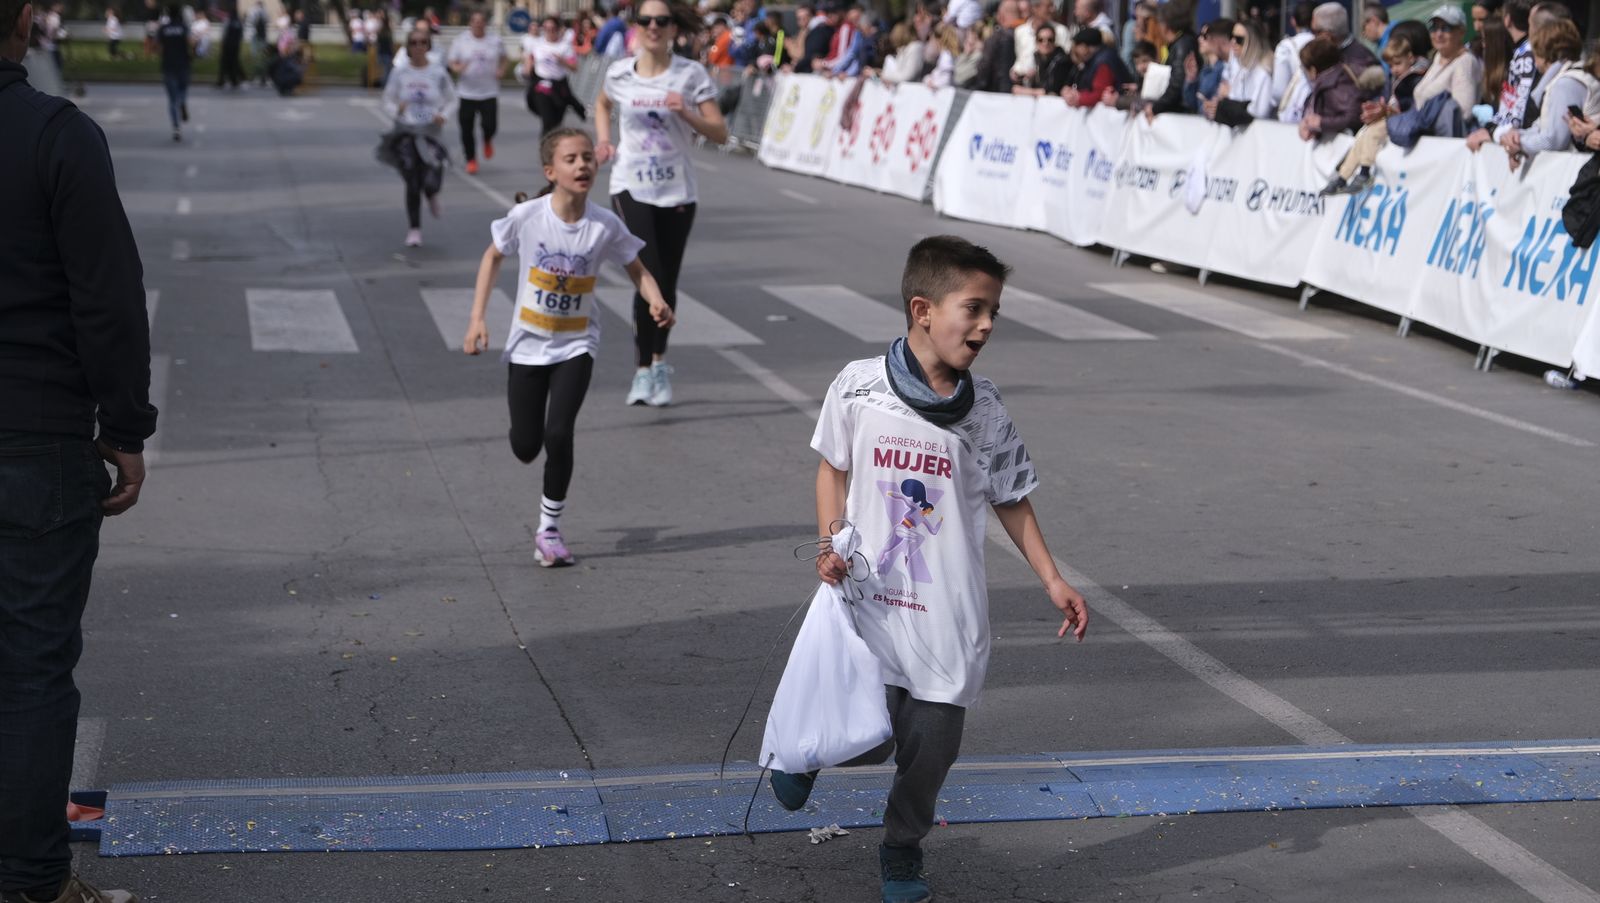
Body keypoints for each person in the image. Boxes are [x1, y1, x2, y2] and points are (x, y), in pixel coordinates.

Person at [768, 235, 1089, 903]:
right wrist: (832, 540)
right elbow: (833, 468)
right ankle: (807, 751)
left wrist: (1052, 579)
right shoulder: (858, 385)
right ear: (922, 309)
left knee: (930, 749)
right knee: (870, 736)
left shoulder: (985, 412)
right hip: (871, 601)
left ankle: (902, 848)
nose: (987, 325)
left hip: (949, 618)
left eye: (994, 311)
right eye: (973, 308)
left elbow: (1013, 498)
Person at [1, 0, 157, 899]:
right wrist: (125, 427)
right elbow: (107, 295)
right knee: (29, 668)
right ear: (24, 24)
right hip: (35, 436)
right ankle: (31, 880)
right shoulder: (57, 134)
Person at [462, 128, 673, 567]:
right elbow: (492, 256)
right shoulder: (528, 216)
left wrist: (655, 299)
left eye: (587, 158)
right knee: (526, 445)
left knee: (558, 433)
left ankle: (549, 529)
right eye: (571, 159)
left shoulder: (605, 224)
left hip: (577, 344)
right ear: (550, 171)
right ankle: (528, 447)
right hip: (527, 345)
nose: (582, 165)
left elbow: (637, 268)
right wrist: (478, 318)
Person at [593, 0, 726, 407]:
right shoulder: (619, 72)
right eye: (645, 20)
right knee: (645, 270)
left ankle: (659, 363)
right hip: (630, 184)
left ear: (673, 28)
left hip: (677, 190)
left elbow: (720, 132)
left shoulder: (691, 74)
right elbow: (602, 103)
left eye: (661, 21)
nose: (653, 26)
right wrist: (603, 140)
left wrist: (685, 112)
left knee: (666, 280)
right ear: (636, 27)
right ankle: (641, 370)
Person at [1322, 28, 1430, 195]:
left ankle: (1365, 173)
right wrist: (1379, 109)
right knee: (1362, 135)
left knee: (1373, 133)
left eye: (1398, 64)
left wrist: (1386, 111)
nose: (1394, 69)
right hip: (1394, 119)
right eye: (1391, 65)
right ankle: (1343, 177)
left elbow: (1412, 108)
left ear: (1410, 58)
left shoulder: (1415, 79)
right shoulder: (1399, 77)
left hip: (1407, 122)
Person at [381, 26, 456, 247]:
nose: (418, 47)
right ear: (407, 47)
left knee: (431, 177)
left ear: (428, 46)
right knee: (412, 181)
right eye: (413, 43)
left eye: (422, 42)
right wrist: (397, 110)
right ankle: (414, 229)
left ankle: (432, 193)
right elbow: (387, 99)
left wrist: (444, 115)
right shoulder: (400, 72)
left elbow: (453, 99)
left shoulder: (438, 72)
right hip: (407, 131)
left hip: (431, 132)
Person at [1499, 19, 1592, 167]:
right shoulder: (1564, 79)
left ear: (1544, 52)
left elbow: (1554, 140)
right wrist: (1517, 136)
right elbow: (1544, 126)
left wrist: (1519, 144)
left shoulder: (1565, 84)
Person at [1466, 0, 1532, 151]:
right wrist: (1491, 128)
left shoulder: (1523, 59)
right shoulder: (1504, 71)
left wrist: (1492, 131)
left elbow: (1519, 113)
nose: (1483, 45)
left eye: (1485, 40)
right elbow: (1504, 115)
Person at [449, 10, 506, 175]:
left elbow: (504, 57)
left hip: (489, 91)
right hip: (467, 92)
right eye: (475, 21)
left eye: (481, 21)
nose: (478, 24)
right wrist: (457, 68)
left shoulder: (494, 41)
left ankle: (487, 138)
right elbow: (452, 62)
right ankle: (471, 159)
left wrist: (501, 70)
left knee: (490, 125)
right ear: (470, 23)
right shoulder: (461, 41)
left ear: (485, 24)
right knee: (466, 128)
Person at [1412, 5, 1481, 116]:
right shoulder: (1439, 55)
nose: (1438, 34)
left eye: (1446, 28)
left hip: (1442, 132)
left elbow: (1464, 112)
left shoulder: (1465, 62)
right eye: (1434, 27)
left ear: (1461, 32)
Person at [523, 15, 580, 137]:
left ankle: (553, 145)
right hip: (542, 84)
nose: (549, 32)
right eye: (546, 29)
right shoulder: (537, 44)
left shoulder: (565, 46)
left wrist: (563, 61)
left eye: (552, 29)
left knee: (557, 121)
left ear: (558, 29)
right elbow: (530, 57)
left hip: (559, 85)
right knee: (547, 118)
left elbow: (575, 67)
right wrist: (527, 68)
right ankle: (544, 145)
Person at [1297, 33, 1358, 140]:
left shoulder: (1336, 85)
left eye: (1304, 68)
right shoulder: (1327, 83)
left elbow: (1353, 116)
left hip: (1342, 147)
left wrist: (1321, 123)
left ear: (1313, 70)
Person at [1149, 2, 1198, 114]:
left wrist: (1156, 108)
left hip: (1180, 112)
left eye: (1159, 23)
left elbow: (1177, 83)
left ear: (1165, 25)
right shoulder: (1178, 43)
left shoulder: (1183, 45)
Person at [1061, 27, 1130, 106]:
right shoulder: (1094, 60)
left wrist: (1078, 98)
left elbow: (1100, 94)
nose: (1075, 50)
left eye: (1077, 46)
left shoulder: (1103, 63)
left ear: (1084, 47)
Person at [1270, 0, 1315, 112]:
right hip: (1320, 112)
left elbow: (1279, 92)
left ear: (1293, 21)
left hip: (1293, 115)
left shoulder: (1285, 47)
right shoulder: (1327, 44)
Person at [156, 3, 192, 141]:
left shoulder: (164, 29)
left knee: (171, 100)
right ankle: (182, 101)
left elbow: (158, 47)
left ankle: (176, 128)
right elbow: (191, 43)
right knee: (183, 89)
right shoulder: (184, 28)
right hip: (183, 64)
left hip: (168, 66)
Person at [1011, 0, 1066, 85]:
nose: (1052, 9)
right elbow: (1020, 58)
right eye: (1048, 6)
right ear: (1035, 8)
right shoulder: (1020, 32)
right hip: (1023, 88)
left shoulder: (1061, 31)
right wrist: (1015, 71)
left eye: (1050, 40)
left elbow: (1064, 62)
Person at [1011, 18, 1069, 94]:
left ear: (1055, 41)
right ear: (1036, 42)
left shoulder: (1062, 61)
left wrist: (1024, 91)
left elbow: (1052, 90)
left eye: (1050, 40)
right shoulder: (1036, 58)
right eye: (1041, 40)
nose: (1045, 43)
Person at [216, 7, 244, 88]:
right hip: (236, 46)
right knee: (234, 63)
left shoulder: (228, 21)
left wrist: (222, 43)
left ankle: (221, 80)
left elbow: (224, 33)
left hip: (227, 45)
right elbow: (241, 35)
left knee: (224, 63)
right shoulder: (239, 22)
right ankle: (234, 80)